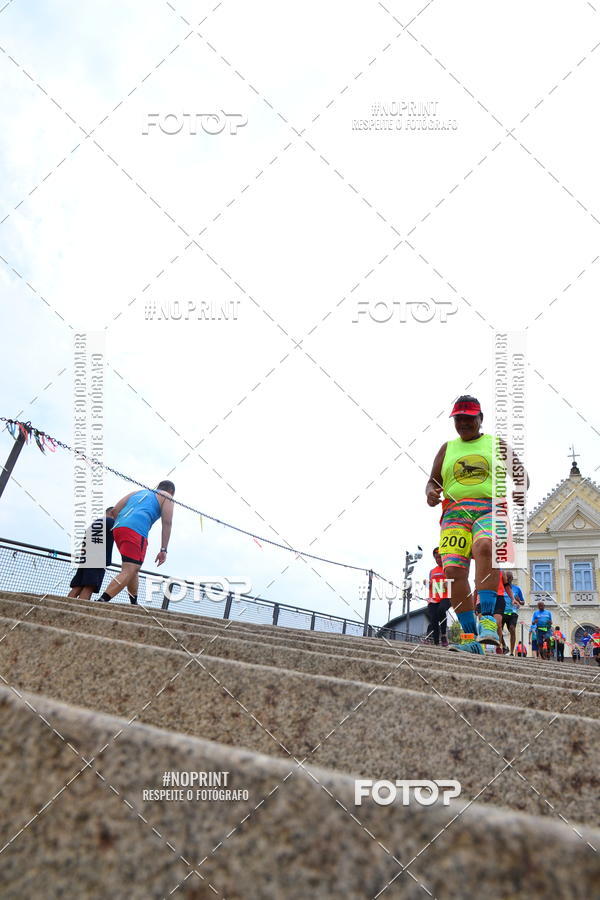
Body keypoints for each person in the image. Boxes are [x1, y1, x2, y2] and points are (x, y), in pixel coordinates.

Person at [425, 395, 529, 654]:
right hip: (454, 513)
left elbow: (521, 475)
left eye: (469, 417)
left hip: (491, 507)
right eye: (458, 418)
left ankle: (487, 623)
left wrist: (520, 489)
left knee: (486, 545)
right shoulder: (447, 448)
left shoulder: (496, 444)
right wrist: (430, 492)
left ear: (480, 419)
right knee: (452, 573)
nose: (463, 422)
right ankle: (472, 639)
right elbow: (433, 481)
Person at [97, 480, 175, 604]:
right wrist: (163, 549)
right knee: (130, 568)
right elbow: (167, 522)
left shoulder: (138, 492)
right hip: (136, 530)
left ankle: (134, 603)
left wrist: (124, 522)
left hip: (118, 528)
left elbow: (115, 510)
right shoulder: (167, 496)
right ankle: (102, 600)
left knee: (133, 567)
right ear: (171, 491)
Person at [68, 506, 116, 600]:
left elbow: (84, 541)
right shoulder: (111, 522)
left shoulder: (95, 523)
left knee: (78, 586)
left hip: (86, 558)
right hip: (98, 559)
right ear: (112, 512)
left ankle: (64, 607)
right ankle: (79, 612)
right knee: (89, 586)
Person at [427, 547, 452, 646]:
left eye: (440, 557)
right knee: (433, 619)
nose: (438, 559)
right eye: (436, 558)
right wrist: (428, 584)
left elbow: (453, 582)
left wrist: (448, 584)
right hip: (433, 598)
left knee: (441, 610)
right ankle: (436, 642)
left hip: (446, 597)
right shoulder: (432, 571)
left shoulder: (448, 569)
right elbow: (431, 584)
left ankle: (444, 635)